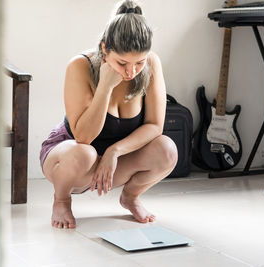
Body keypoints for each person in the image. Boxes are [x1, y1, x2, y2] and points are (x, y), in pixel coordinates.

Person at [39, 0, 177, 229]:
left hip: (115, 162)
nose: (131, 72)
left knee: (167, 150)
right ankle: (61, 200)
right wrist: (105, 86)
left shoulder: (152, 63)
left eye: (139, 62)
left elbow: (154, 126)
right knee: (84, 153)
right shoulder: (80, 66)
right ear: (104, 49)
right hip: (72, 158)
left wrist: (115, 151)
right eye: (122, 63)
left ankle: (130, 197)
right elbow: (83, 136)